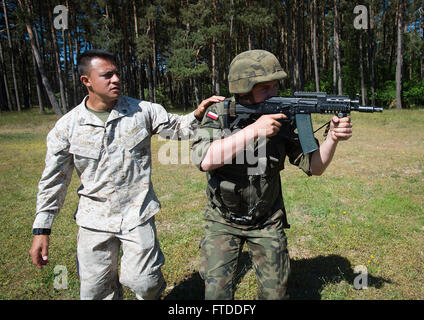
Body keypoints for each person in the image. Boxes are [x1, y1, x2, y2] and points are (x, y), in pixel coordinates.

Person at [29, 49, 224, 300]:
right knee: (96, 291)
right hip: (94, 221)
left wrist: (198, 113)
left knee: (146, 283)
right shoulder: (67, 127)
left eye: (117, 73)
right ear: (86, 81)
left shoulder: (142, 111)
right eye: (107, 75)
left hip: (137, 214)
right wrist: (41, 229)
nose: (116, 79)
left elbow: (178, 129)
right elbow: (54, 181)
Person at [191, 49, 352, 299]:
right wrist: (255, 130)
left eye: (275, 86)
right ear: (244, 90)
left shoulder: (281, 119)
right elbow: (204, 160)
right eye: (266, 88)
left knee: (275, 295)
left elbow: (315, 167)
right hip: (222, 220)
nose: (274, 94)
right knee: (216, 295)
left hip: (266, 219)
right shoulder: (219, 114)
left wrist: (332, 137)